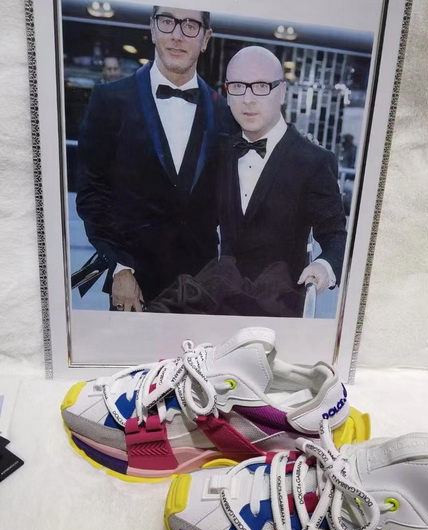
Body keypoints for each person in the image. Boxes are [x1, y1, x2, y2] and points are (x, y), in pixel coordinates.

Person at [76, 6, 235, 311]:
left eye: (190, 25)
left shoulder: (226, 113)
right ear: (152, 28)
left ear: (205, 39)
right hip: (133, 285)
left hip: (202, 286)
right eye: (167, 22)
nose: (177, 35)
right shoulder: (109, 101)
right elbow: (92, 195)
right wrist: (120, 268)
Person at [217, 46, 348, 317]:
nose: (248, 99)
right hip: (219, 306)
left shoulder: (314, 160)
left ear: (283, 92)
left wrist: (324, 266)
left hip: (282, 312)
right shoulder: (218, 152)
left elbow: (335, 235)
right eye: (238, 86)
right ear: (227, 92)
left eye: (261, 86)